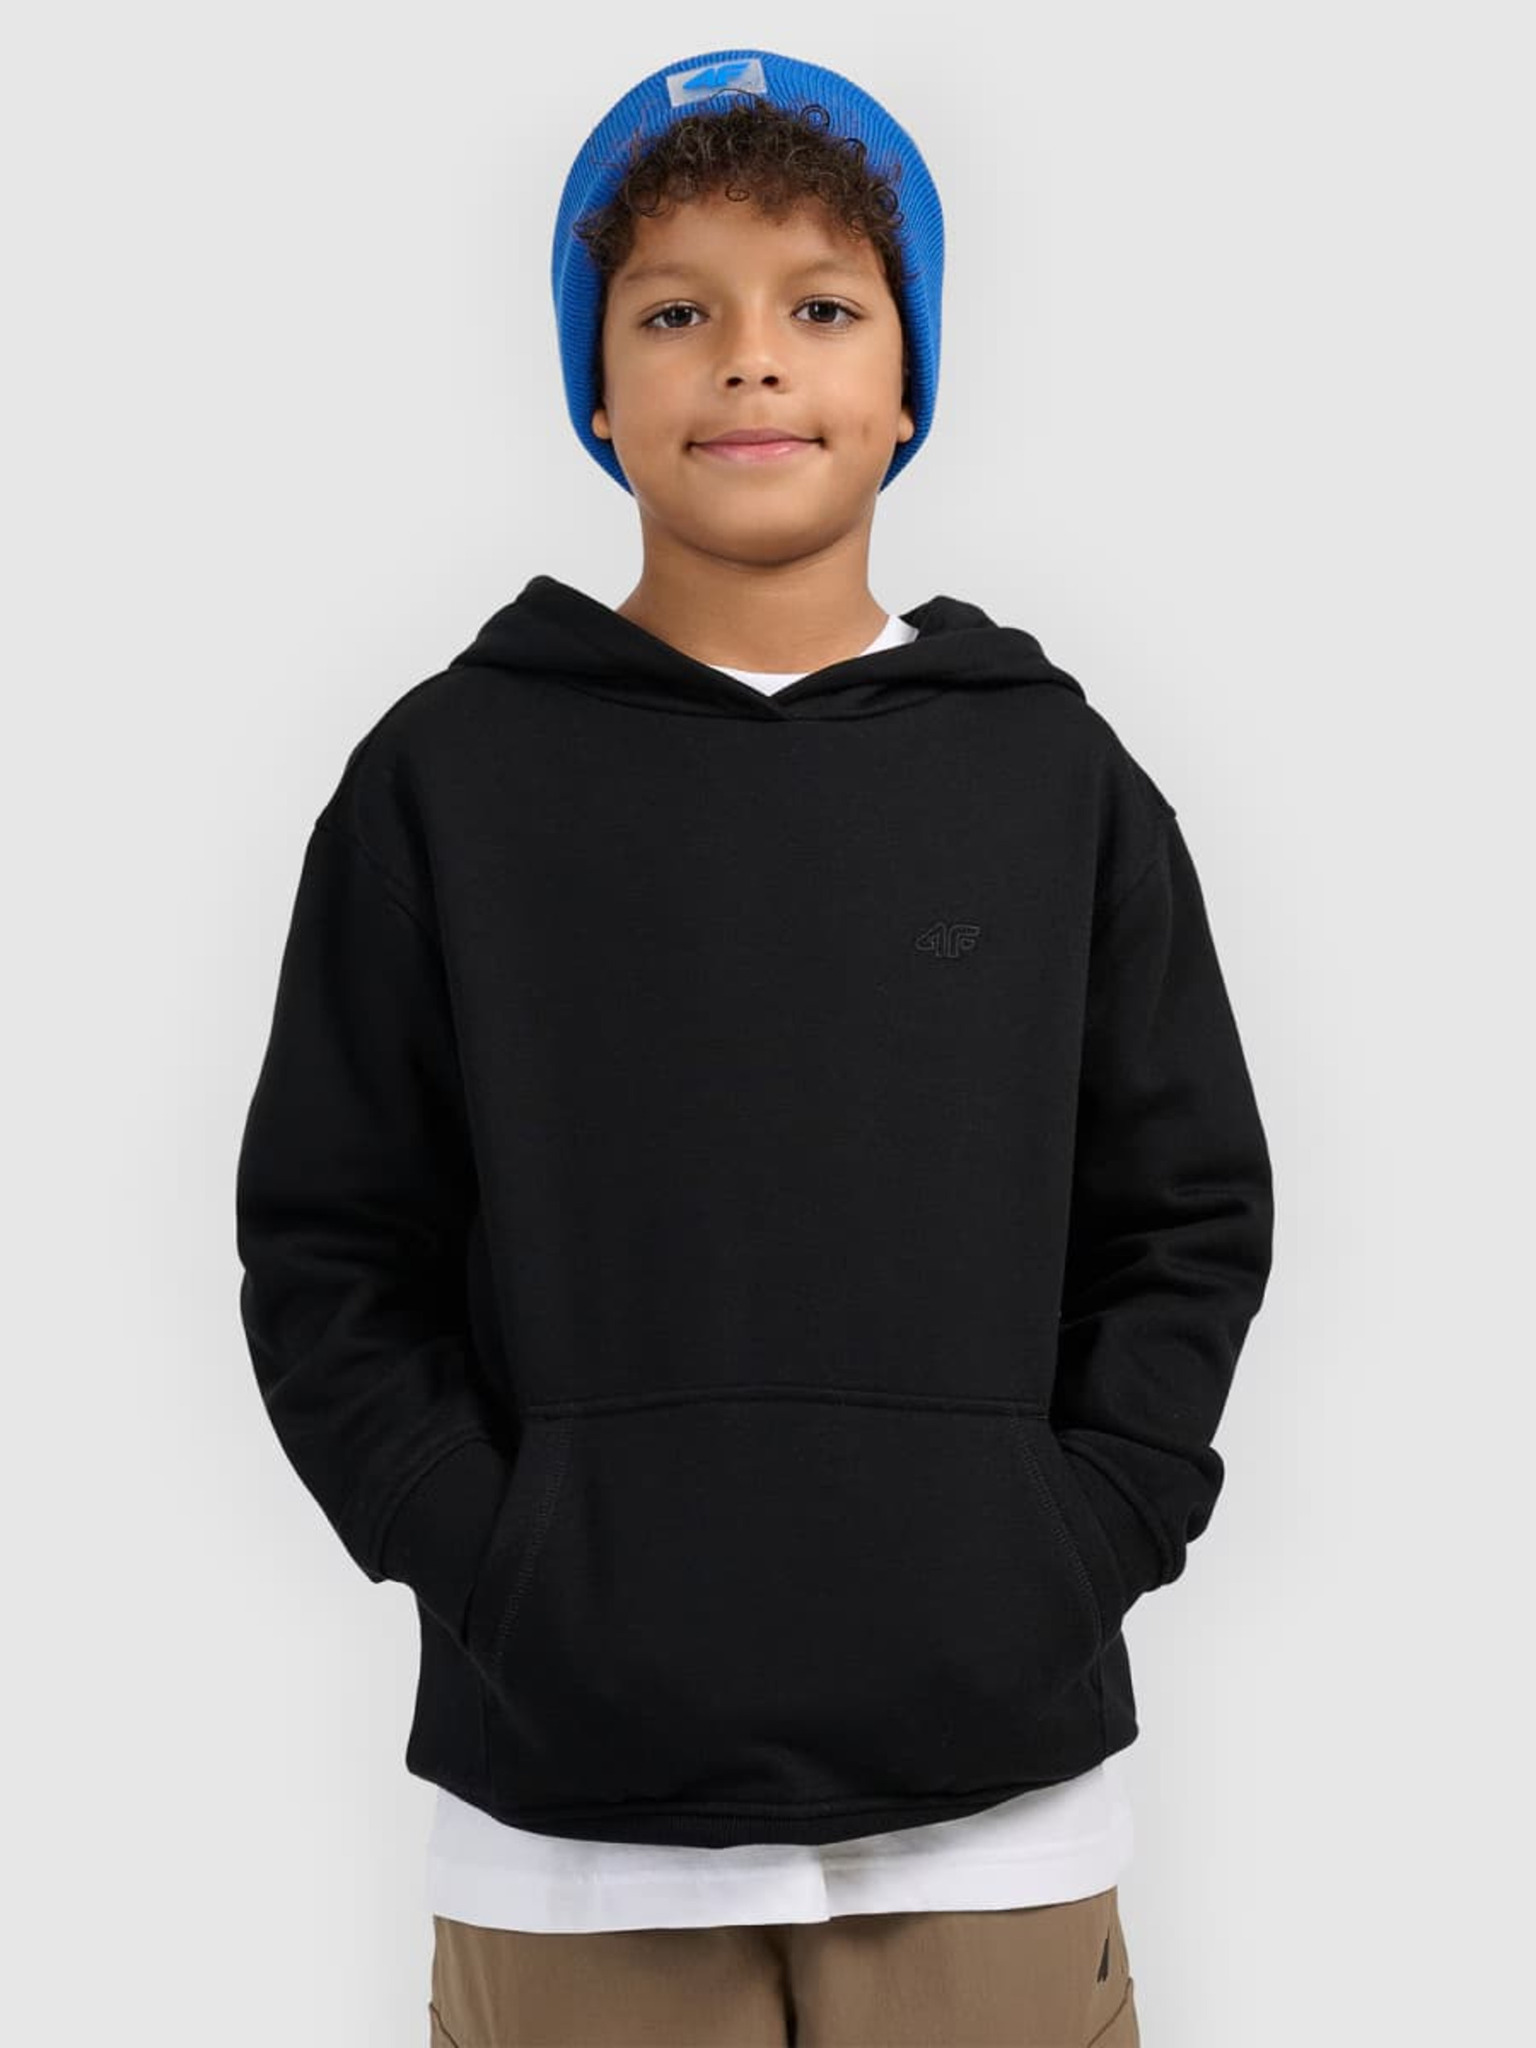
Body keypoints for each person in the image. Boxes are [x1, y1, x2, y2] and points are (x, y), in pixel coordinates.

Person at [234, 45, 1274, 2048]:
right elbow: (333, 1245)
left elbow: (1185, 1215)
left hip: (995, 1812)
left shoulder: (1056, 781)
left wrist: (1078, 1538)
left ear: (909, 379)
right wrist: (497, 1565)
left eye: (821, 306)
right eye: (674, 312)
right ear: (595, 386)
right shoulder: (445, 781)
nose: (750, 360)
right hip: (569, 1823)